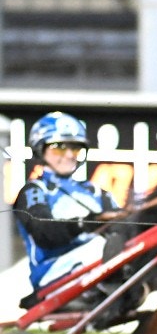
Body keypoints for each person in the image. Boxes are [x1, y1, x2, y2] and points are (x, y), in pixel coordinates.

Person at [13, 111, 125, 302]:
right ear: (40, 149)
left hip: (94, 265)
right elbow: (45, 233)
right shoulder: (34, 191)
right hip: (51, 276)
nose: (69, 155)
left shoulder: (96, 192)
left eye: (75, 149)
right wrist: (88, 223)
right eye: (59, 148)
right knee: (100, 246)